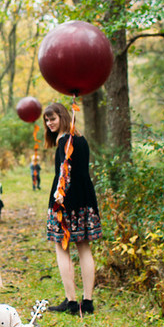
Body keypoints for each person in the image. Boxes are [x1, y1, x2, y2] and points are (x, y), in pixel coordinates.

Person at [43, 102, 102, 316]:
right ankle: (87, 302)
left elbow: (63, 176)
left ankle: (71, 302)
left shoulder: (63, 141)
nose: (49, 123)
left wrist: (57, 202)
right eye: (47, 120)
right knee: (84, 249)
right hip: (85, 200)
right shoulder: (81, 139)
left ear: (63, 116)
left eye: (53, 118)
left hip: (65, 203)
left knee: (62, 248)